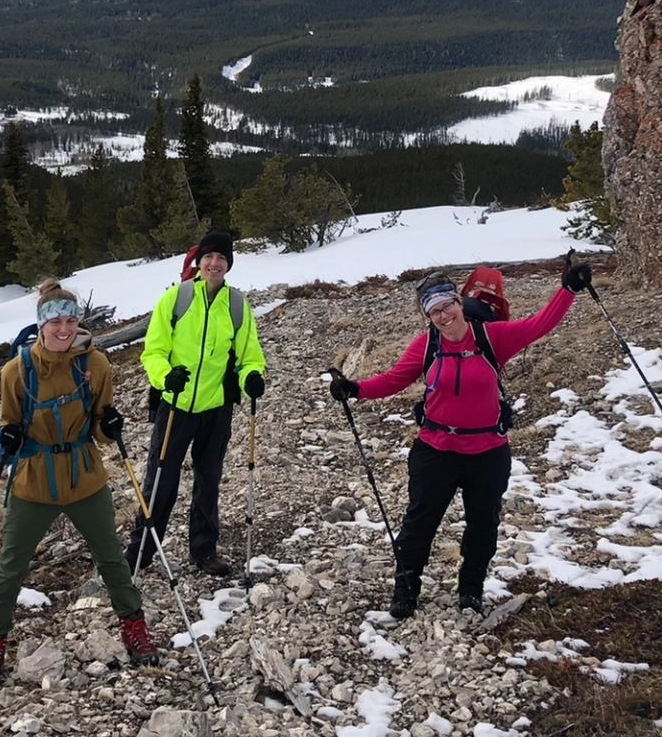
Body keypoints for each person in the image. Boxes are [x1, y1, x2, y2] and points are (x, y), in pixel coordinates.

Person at [324, 261, 591, 619]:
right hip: (435, 452)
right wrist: (355, 389)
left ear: (459, 302)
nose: (443, 314)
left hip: (488, 454)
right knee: (419, 524)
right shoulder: (427, 345)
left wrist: (568, 290)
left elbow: (540, 325)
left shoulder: (490, 337)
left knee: (483, 525)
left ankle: (471, 591)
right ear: (428, 317)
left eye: (447, 305)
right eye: (434, 311)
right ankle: (405, 591)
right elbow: (393, 379)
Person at [0, 281, 158, 687]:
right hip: (33, 482)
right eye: (55, 321)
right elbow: (8, 423)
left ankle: (133, 626)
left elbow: (101, 428)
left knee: (111, 557)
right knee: (11, 566)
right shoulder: (16, 370)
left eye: (71, 320)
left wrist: (110, 426)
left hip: (84, 477)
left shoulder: (97, 365)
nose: (63, 329)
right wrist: (7, 439)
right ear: (41, 323)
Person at [125, 228, 267, 578]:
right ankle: (141, 550)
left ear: (228, 264)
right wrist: (165, 377)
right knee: (160, 481)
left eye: (221, 258)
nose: (214, 263)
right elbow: (153, 351)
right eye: (209, 257)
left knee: (209, 480)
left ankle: (204, 551)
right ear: (199, 261)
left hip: (216, 409)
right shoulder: (176, 299)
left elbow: (250, 355)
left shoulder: (236, 305)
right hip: (175, 405)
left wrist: (251, 376)